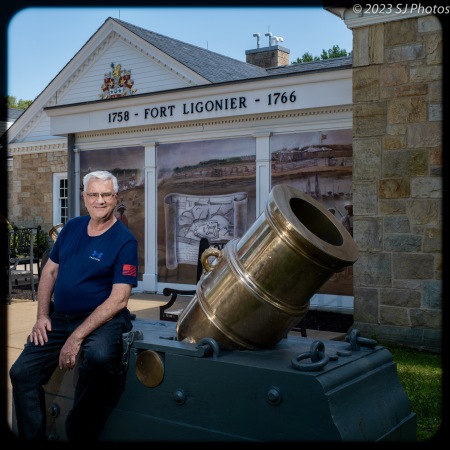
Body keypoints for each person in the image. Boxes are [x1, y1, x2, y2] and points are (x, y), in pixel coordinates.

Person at [9, 170, 138, 442]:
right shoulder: (71, 228)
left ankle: (79, 429)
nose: (99, 200)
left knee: (99, 358)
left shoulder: (125, 240)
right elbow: (49, 272)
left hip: (103, 318)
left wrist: (76, 337)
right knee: (21, 373)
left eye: (105, 195)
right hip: (60, 316)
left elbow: (120, 298)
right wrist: (42, 315)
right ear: (84, 197)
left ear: (115, 198)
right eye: (93, 194)